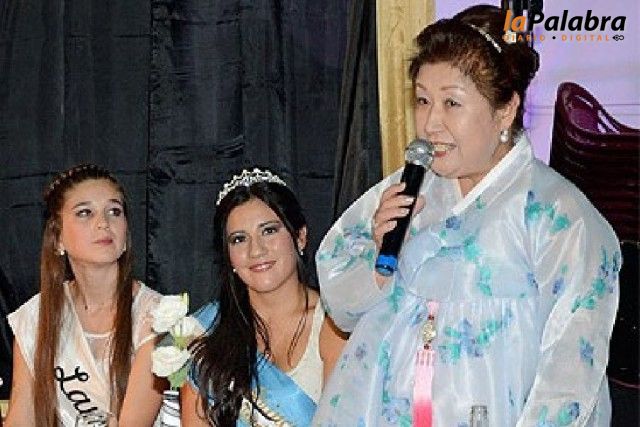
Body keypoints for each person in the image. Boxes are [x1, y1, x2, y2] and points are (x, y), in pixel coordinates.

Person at [313, 5, 620, 426]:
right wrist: (378, 259)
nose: (430, 124)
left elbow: (570, 374)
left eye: (451, 103)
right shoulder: (407, 191)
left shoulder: (558, 216)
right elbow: (341, 307)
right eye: (423, 100)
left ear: (505, 110)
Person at [181, 168, 346, 426]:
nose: (256, 250)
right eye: (239, 239)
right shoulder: (206, 330)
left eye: (269, 231)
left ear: (300, 237)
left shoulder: (334, 326)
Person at [6, 164, 165, 427]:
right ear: (58, 238)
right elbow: (21, 418)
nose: (103, 223)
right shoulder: (36, 316)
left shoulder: (158, 316)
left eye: (114, 211)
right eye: (85, 213)